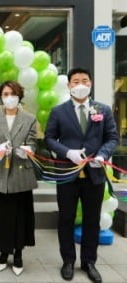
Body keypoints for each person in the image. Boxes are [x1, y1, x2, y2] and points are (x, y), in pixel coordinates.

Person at [44, 67, 118, 283]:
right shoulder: (58, 112)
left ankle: (89, 262)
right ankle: (68, 260)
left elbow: (112, 137)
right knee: (66, 218)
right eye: (75, 81)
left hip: (94, 174)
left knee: (92, 220)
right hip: (67, 174)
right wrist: (68, 152)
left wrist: (103, 155)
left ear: (91, 83)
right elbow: (49, 139)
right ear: (68, 86)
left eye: (84, 80)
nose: (80, 84)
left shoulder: (102, 110)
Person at [0, 81, 37, 276]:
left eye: (13, 94)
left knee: (20, 216)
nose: (9, 97)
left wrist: (28, 150)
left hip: (21, 173)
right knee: (1, 216)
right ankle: (3, 251)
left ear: (19, 96)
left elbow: (33, 142)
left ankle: (19, 253)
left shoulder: (29, 118)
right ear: (1, 96)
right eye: (5, 94)